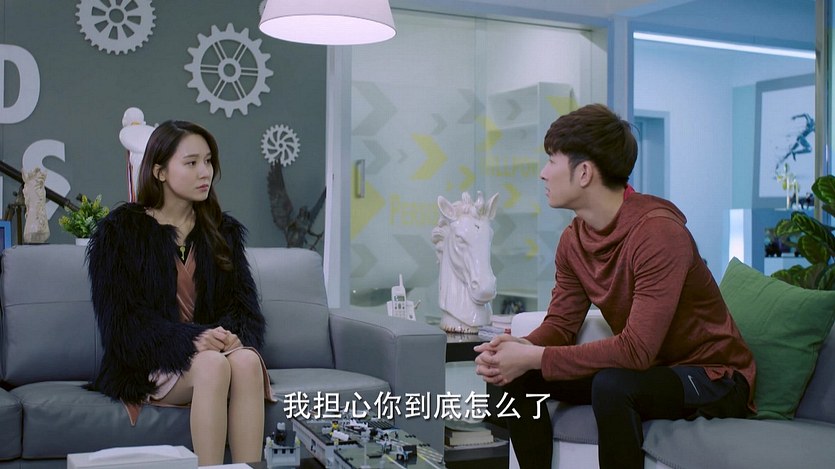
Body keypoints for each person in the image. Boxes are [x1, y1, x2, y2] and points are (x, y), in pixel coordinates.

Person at [474, 104, 756, 469]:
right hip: (650, 370)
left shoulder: (658, 234)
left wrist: (535, 356)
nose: (543, 173)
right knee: (515, 377)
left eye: (552, 161)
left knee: (613, 385)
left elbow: (636, 350)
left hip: (713, 376)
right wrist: (519, 348)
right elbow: (561, 324)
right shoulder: (574, 240)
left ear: (584, 173)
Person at [87, 120, 273, 466]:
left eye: (208, 161)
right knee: (212, 365)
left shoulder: (223, 231)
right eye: (191, 163)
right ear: (159, 171)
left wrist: (229, 337)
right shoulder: (120, 233)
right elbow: (123, 326)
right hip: (150, 362)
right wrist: (192, 339)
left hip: (212, 355)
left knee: (247, 360)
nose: (205, 172)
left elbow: (244, 309)